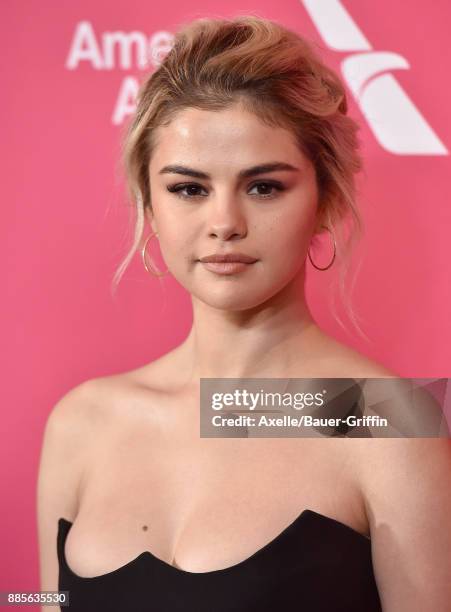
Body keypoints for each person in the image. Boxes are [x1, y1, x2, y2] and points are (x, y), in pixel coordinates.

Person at [37, 15, 451, 612]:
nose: (225, 223)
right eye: (188, 188)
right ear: (149, 206)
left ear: (325, 198)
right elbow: (37, 599)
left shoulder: (388, 417)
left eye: (264, 187)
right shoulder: (81, 422)